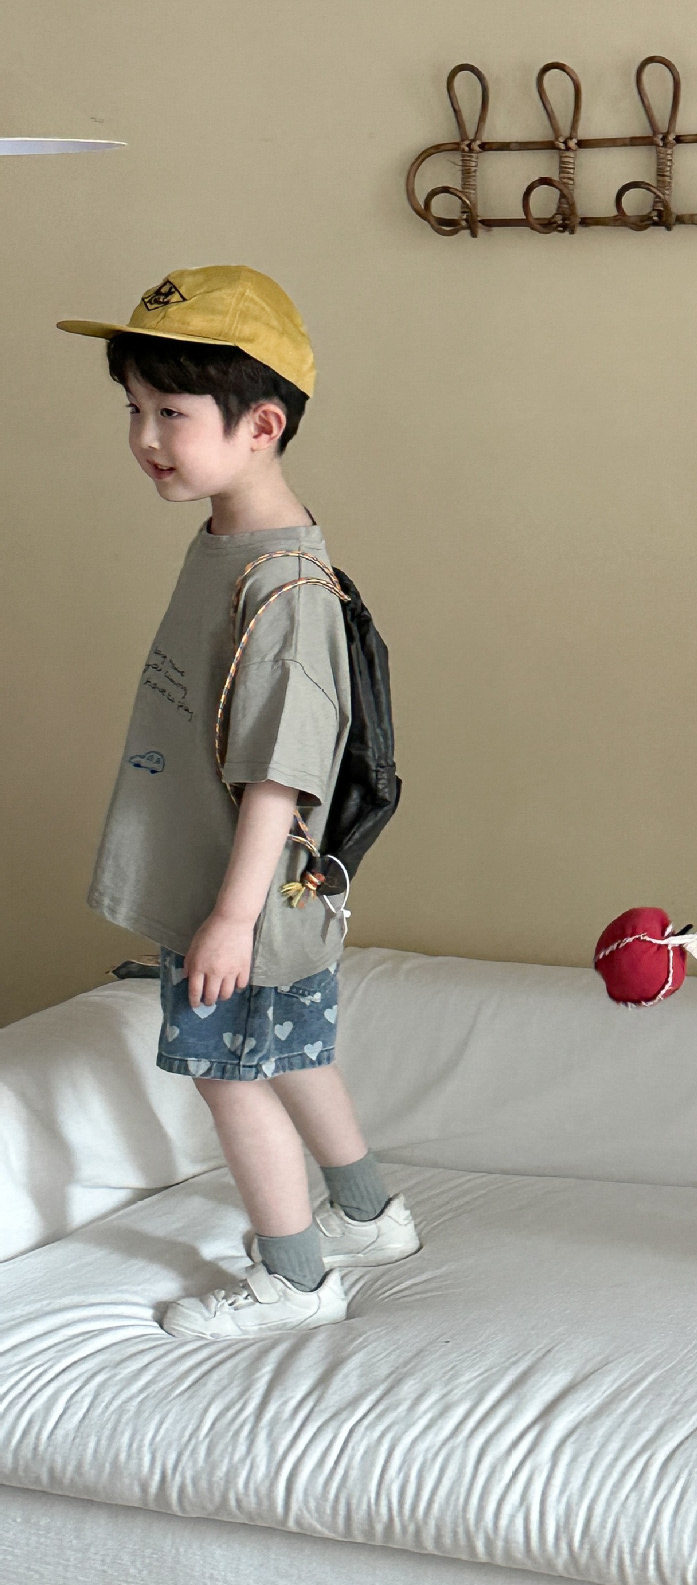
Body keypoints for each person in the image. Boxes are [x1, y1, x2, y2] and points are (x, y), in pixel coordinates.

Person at [58, 267, 419, 1339]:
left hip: (247, 896)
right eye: (134, 408)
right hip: (247, 891)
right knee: (291, 1052)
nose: (144, 437)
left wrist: (227, 916)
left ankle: (298, 1279)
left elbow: (281, 773)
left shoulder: (285, 588)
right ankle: (369, 1216)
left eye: (171, 412)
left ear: (262, 425)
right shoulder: (233, 540)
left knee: (228, 1077)